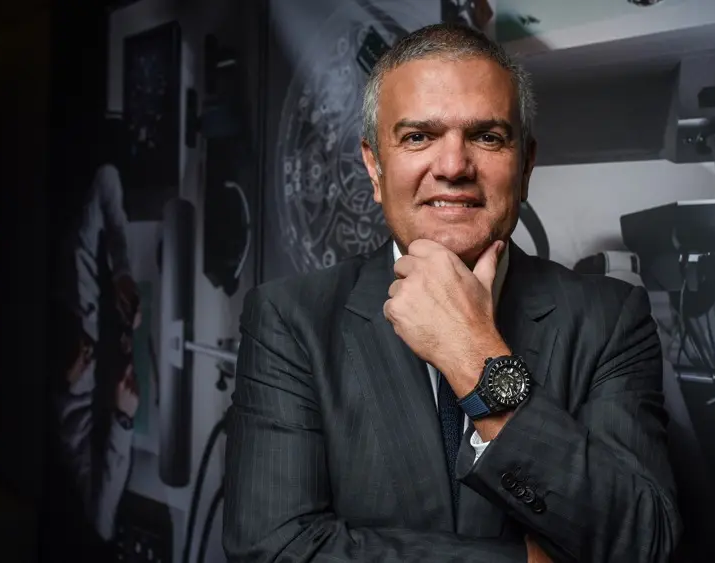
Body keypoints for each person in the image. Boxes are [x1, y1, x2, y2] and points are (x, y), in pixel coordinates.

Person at [224, 23, 681, 563]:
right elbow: (273, 548)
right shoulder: (290, 319)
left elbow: (644, 543)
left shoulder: (610, 319)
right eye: (418, 137)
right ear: (374, 167)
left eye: (487, 137)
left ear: (526, 165)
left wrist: (476, 358)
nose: (453, 167)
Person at [51, 117, 142, 543]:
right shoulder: (69, 427)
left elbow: (106, 181)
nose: (83, 352)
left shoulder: (75, 279)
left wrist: (120, 270)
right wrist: (123, 421)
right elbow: (101, 523)